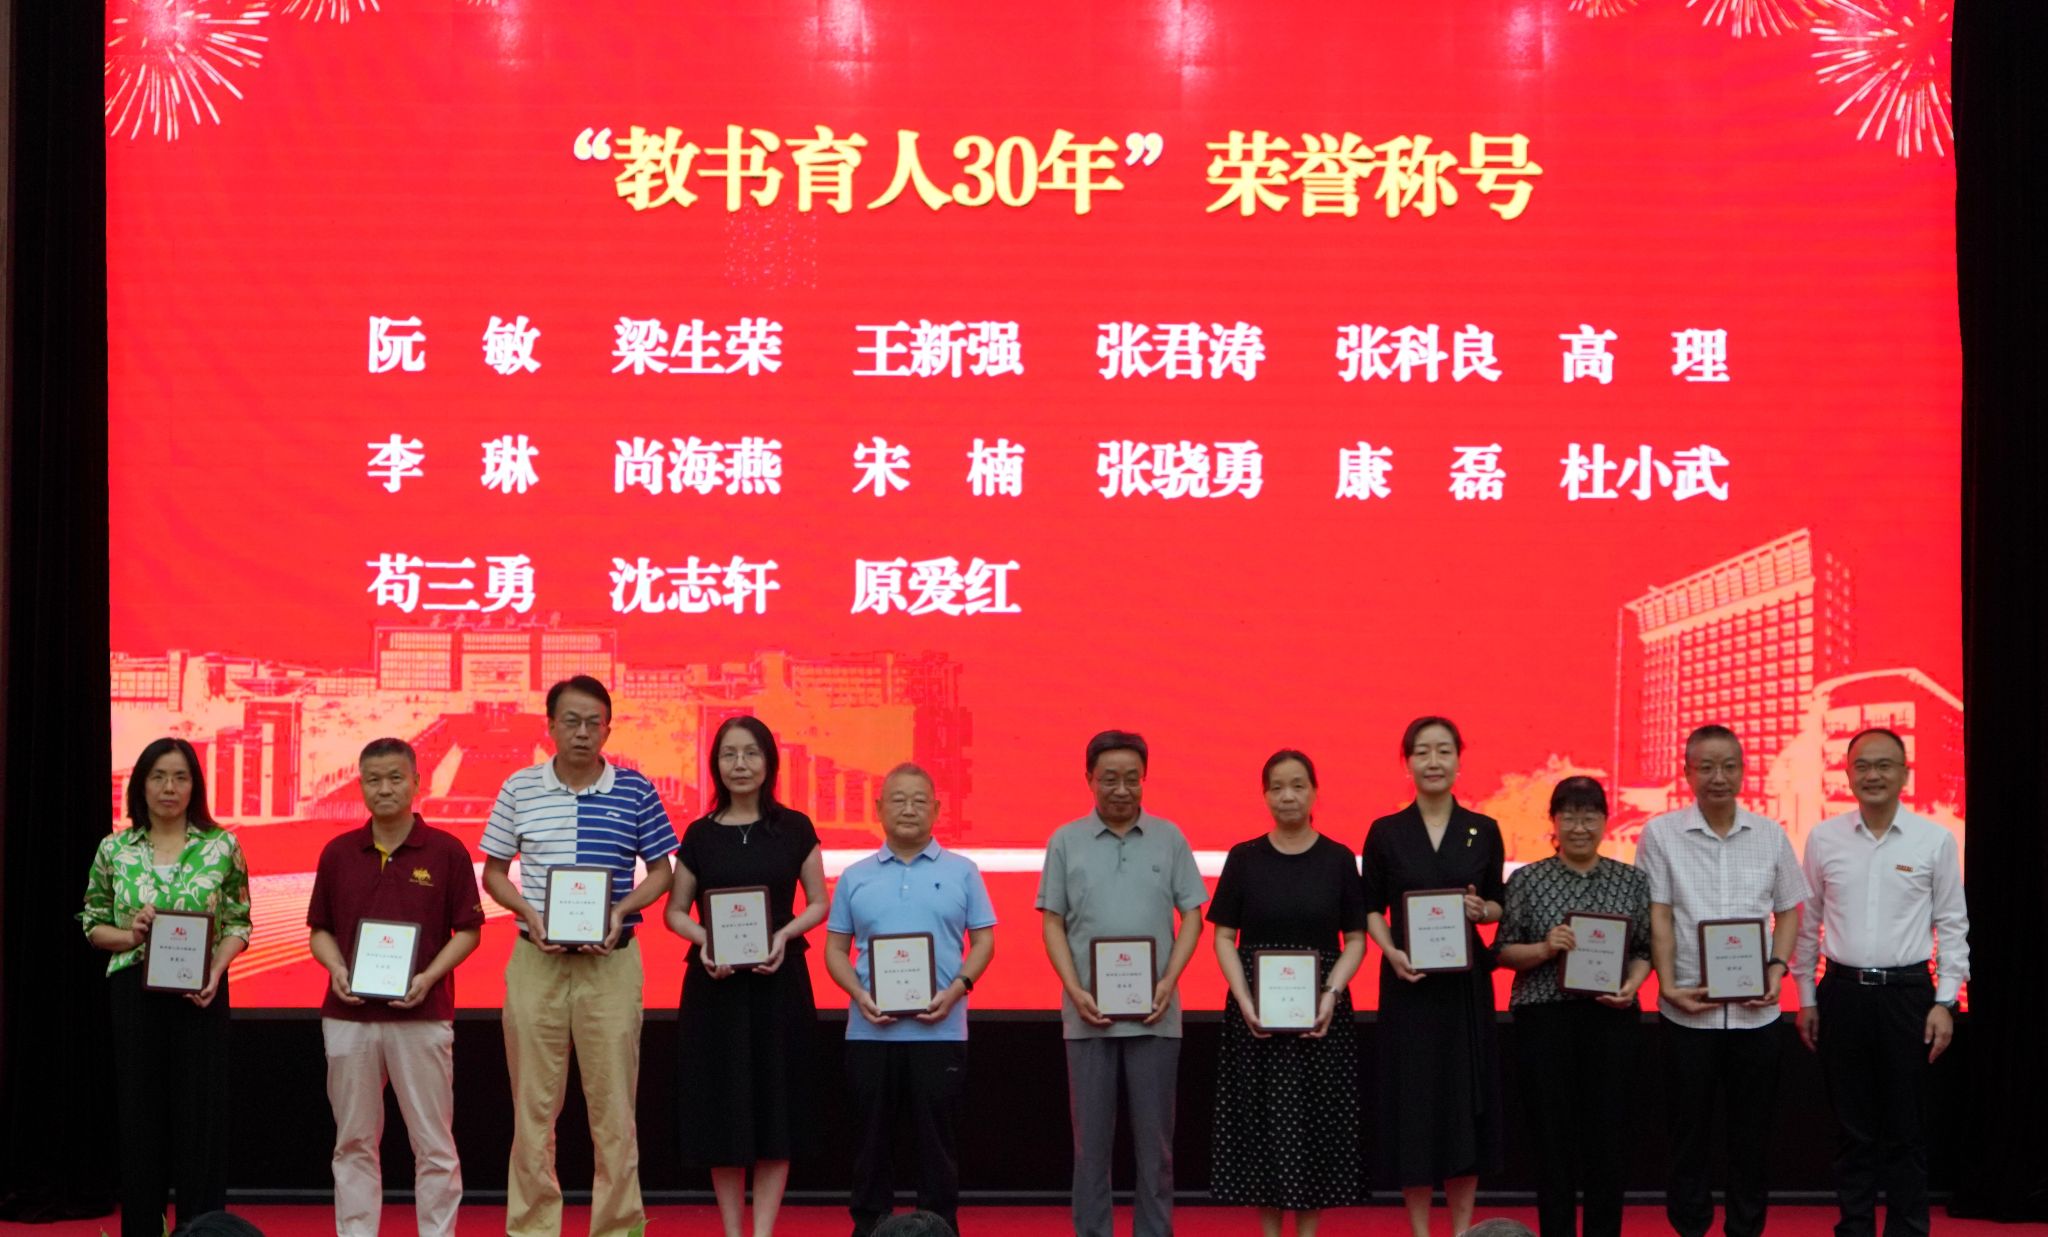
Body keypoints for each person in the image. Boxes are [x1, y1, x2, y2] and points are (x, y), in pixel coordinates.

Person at [480, 676, 680, 1237]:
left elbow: (662, 870)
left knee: (614, 1107)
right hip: (536, 960)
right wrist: (528, 911)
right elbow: (494, 872)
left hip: (611, 963)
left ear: (608, 729)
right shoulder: (519, 787)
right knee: (533, 1106)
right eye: (571, 721)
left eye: (594, 722)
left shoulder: (636, 790)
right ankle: (533, 1228)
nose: (583, 732)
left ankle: (617, 1228)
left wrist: (621, 910)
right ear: (551, 726)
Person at [1793, 728, 1969, 1237]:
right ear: (1848, 774)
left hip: (1908, 997)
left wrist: (1945, 1002)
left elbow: (1952, 925)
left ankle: (1907, 1230)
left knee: (1906, 1131)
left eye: (1884, 765)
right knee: (1852, 1130)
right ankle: (1854, 1228)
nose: (1873, 775)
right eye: (1863, 765)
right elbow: (1808, 924)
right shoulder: (1824, 838)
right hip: (1842, 993)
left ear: (1904, 774)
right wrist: (1806, 997)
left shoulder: (1933, 840)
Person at [1636, 724, 1810, 1237]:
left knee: (1752, 1137)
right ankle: (1690, 1227)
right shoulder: (1661, 834)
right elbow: (1659, 914)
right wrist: (1668, 985)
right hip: (1688, 1013)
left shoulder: (1771, 834)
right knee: (1687, 1136)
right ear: (1686, 773)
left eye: (1729, 766)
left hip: (1758, 1016)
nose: (1718, 777)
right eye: (1706, 767)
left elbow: (1789, 910)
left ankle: (1745, 1229)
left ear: (1742, 771)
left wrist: (1777, 968)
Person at [306, 737, 485, 1237]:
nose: (384, 789)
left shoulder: (447, 851)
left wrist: (429, 977)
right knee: (353, 1142)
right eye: (373, 780)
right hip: (349, 1018)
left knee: (434, 1143)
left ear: (416, 783)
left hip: (422, 1016)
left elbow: (468, 931)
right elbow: (319, 930)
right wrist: (337, 968)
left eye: (394, 778)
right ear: (360, 785)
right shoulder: (338, 853)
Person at [1037, 730, 1208, 1237]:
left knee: (1156, 1148)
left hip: (1156, 1015)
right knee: (1090, 1148)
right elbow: (1052, 922)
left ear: (1144, 780)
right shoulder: (1065, 840)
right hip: (1087, 1016)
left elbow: (1193, 916)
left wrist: (1169, 981)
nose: (1121, 789)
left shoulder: (1169, 838)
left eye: (1132, 778)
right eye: (1109, 778)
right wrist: (1074, 989)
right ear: (1088, 779)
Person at [79, 737, 252, 1237]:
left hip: (200, 995)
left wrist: (216, 972)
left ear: (194, 785)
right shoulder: (114, 849)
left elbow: (239, 921)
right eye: (157, 777)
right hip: (135, 995)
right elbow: (92, 924)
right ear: (141, 785)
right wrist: (130, 934)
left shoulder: (221, 846)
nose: (168, 787)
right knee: (140, 1122)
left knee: (201, 1125)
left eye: (179, 777)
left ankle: (203, 1231)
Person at [666, 717, 829, 1237]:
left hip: (779, 982)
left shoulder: (796, 828)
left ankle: (762, 1232)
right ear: (715, 764)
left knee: (777, 1106)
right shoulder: (699, 834)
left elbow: (819, 903)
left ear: (769, 762)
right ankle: (734, 1232)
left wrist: (784, 935)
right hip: (715, 988)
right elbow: (675, 911)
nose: (740, 764)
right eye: (729, 754)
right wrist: (705, 941)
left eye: (751, 753)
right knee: (723, 1110)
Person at [823, 764, 996, 1237]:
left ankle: (939, 1228)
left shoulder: (963, 872)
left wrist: (957, 989)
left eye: (920, 800)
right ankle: (868, 1227)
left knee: (937, 1143)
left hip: (941, 1030)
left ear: (937, 810)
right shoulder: (855, 876)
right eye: (898, 799)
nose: (908, 809)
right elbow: (835, 950)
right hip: (869, 1032)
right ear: (879, 808)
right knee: (870, 1142)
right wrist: (859, 995)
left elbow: (983, 942)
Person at [1208, 749, 1367, 1237]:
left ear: (1315, 792)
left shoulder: (1338, 859)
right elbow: (1223, 937)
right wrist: (1243, 999)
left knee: (1315, 1129)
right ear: (1265, 795)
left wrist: (1331, 994)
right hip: (1256, 1014)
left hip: (1320, 1014)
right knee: (1263, 1130)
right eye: (1277, 787)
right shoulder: (1244, 858)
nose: (1288, 796)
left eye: (1298, 785)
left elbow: (1356, 940)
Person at [1360, 717, 1505, 1237]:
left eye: (1444, 751)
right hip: (1410, 985)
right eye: (1422, 752)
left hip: (1465, 989)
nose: (1434, 761)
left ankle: (1463, 1230)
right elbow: (1370, 908)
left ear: (1459, 761)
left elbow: (1498, 904)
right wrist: (1392, 952)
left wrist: (1483, 911)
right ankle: (1420, 1230)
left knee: (1464, 1105)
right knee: (1415, 1105)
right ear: (1408, 763)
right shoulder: (1386, 832)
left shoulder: (1483, 829)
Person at [1496, 776, 1652, 1237]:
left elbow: (1644, 950)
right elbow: (1503, 952)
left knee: (1609, 1142)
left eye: (1590, 817)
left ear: (1605, 821)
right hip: (1545, 1021)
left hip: (1611, 1020)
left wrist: (1631, 985)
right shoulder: (1527, 880)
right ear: (1554, 821)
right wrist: (1545, 949)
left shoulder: (1631, 881)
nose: (1580, 827)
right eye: (1569, 817)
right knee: (1551, 1144)